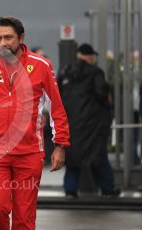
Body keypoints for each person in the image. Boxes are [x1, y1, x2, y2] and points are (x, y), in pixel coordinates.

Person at [0, 16, 70, 230]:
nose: (3, 43)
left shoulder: (41, 65)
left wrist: (60, 145)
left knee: (24, 217)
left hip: (29, 152)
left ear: (21, 37)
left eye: (8, 37)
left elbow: (56, 107)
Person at [58, 43, 120, 198]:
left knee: (72, 158)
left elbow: (57, 95)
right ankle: (107, 189)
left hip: (70, 123)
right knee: (99, 156)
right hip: (92, 124)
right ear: (90, 56)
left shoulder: (65, 73)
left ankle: (70, 190)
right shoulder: (95, 73)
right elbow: (101, 94)